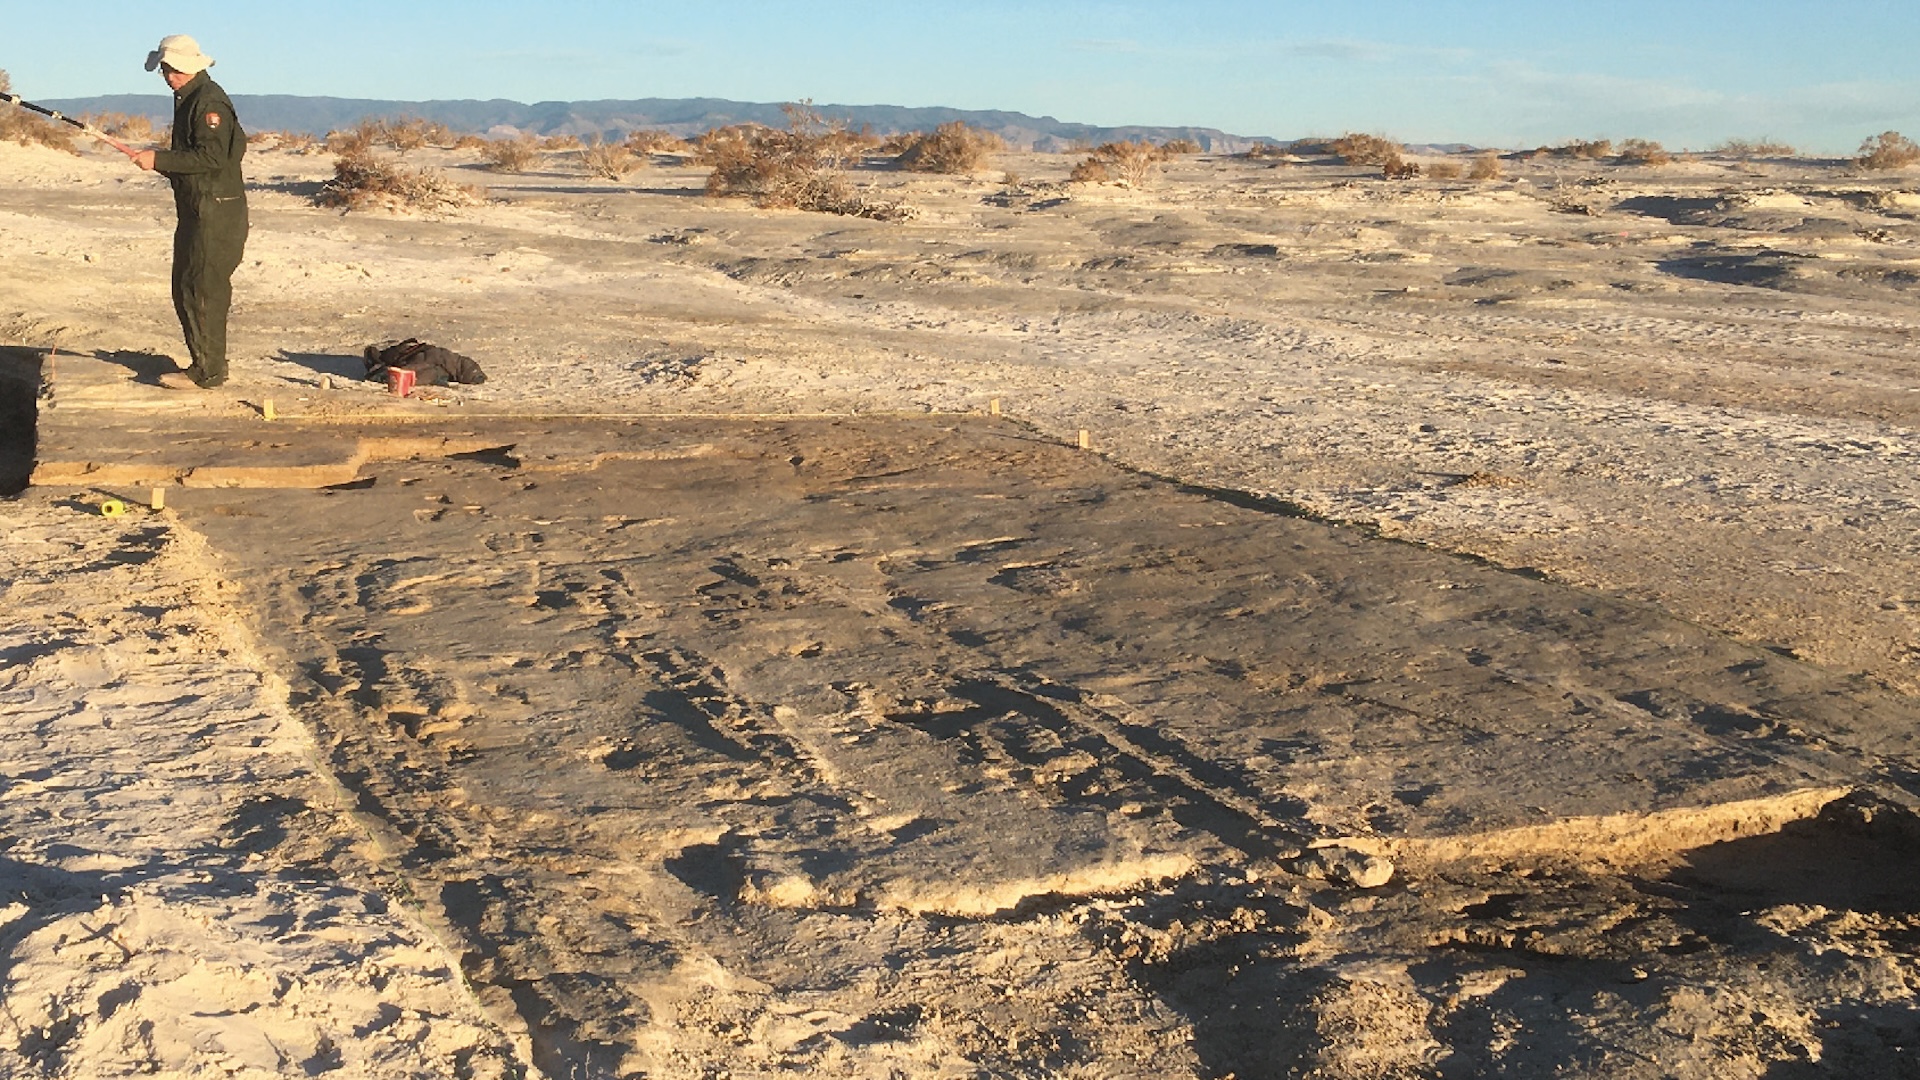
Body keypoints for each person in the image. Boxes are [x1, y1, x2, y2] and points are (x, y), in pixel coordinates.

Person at [131, 35, 248, 390]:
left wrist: (160, 160)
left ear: (191, 66)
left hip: (215, 212)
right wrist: (161, 161)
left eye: (173, 69)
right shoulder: (190, 98)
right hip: (199, 210)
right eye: (165, 69)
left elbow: (214, 157)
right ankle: (206, 363)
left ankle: (207, 372)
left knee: (202, 289)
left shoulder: (208, 102)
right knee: (187, 285)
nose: (168, 76)